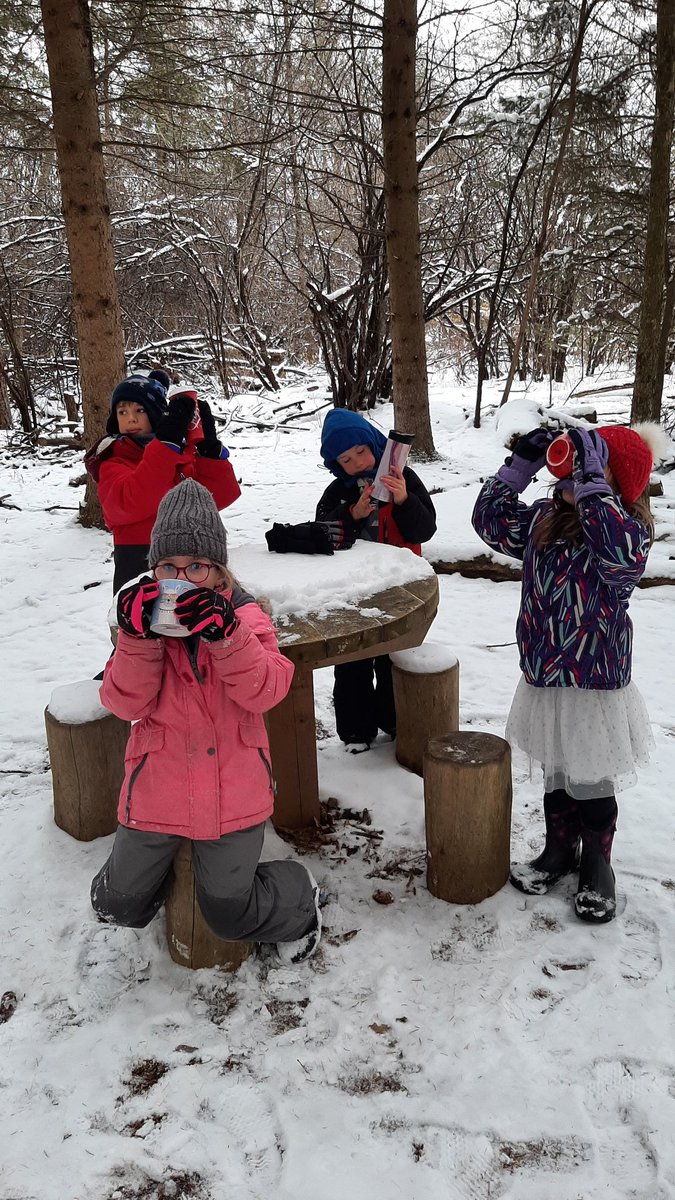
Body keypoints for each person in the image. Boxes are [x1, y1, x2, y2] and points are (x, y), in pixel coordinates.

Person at [90, 478, 321, 964]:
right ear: (154, 570)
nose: (184, 577)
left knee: (228, 913)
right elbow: (123, 703)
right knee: (115, 906)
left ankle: (299, 896)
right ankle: (155, 880)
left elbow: (268, 690)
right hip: (159, 787)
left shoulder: (244, 616)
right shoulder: (142, 619)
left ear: (218, 571)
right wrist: (136, 639)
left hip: (231, 792)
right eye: (170, 567)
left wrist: (225, 635)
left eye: (196, 566)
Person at [471, 423, 659, 923]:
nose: (569, 478)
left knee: (592, 773)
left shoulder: (627, 531)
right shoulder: (545, 519)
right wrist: (520, 467)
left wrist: (593, 484)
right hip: (545, 670)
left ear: (611, 481)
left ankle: (598, 862)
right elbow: (489, 522)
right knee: (557, 764)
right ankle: (560, 850)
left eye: (587, 469)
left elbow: (618, 559)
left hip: (595, 677)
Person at [316, 409, 437, 753]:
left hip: (400, 586)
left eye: (360, 451)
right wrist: (350, 515)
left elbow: (424, 528)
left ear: (373, 444)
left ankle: (395, 720)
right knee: (351, 660)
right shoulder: (336, 492)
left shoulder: (404, 478)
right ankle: (356, 731)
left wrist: (402, 499)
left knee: (394, 657)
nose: (356, 462)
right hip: (352, 590)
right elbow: (323, 533)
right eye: (345, 458)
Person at [85, 371, 241, 592]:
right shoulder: (114, 461)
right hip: (139, 561)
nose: (131, 418)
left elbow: (220, 497)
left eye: (140, 410)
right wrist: (166, 445)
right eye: (122, 412)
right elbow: (131, 501)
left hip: (193, 561)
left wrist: (209, 451)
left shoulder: (179, 458)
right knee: (143, 624)